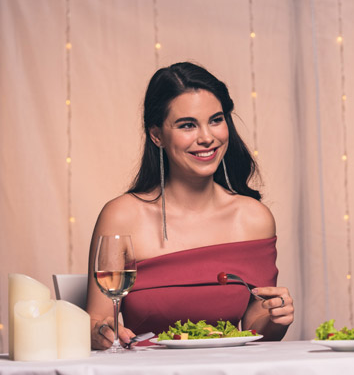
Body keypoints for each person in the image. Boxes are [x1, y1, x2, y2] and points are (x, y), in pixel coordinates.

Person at [86, 62, 294, 350]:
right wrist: (100, 331)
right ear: (157, 135)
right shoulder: (121, 215)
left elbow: (255, 327)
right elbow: (96, 319)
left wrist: (275, 317)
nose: (207, 137)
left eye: (216, 120)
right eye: (187, 125)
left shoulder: (253, 218)